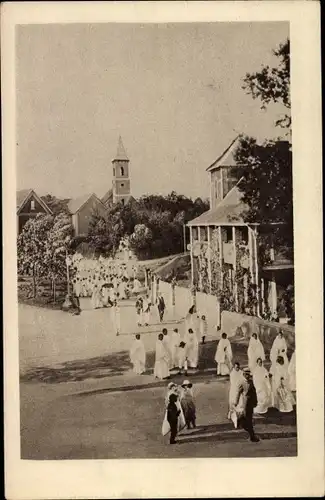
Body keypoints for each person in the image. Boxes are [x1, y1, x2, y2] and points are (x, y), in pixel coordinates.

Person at [234, 368, 259, 442]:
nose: (248, 376)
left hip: (251, 403)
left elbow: (254, 392)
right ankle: (252, 436)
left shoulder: (251, 382)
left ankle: (241, 421)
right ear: (244, 375)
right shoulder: (242, 382)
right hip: (245, 403)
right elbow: (238, 393)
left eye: (249, 375)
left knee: (249, 419)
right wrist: (236, 401)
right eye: (246, 374)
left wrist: (256, 401)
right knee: (248, 420)